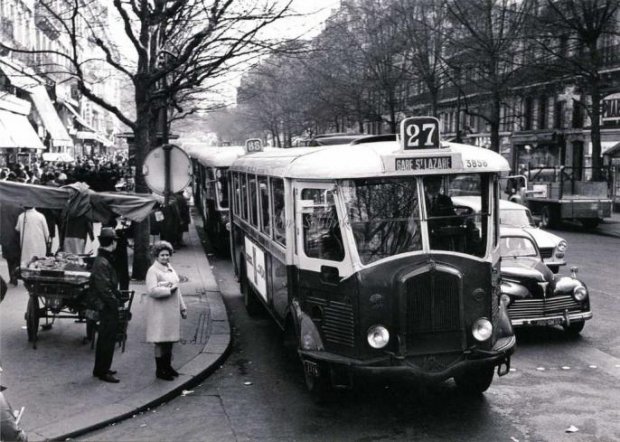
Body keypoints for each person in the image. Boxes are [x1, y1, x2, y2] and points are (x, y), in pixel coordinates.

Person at [145, 241, 187, 381]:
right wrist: (168, 290)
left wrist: (183, 308)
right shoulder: (153, 271)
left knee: (169, 341)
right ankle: (160, 370)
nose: (165, 257)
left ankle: (168, 367)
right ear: (156, 256)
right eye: (162, 255)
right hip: (159, 313)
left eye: (167, 255)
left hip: (171, 312)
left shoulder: (170, 268)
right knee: (160, 341)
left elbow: (178, 290)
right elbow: (152, 291)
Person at [88, 228, 121, 383]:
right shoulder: (103, 261)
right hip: (106, 306)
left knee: (105, 338)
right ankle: (103, 371)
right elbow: (105, 289)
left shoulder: (103, 259)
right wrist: (115, 303)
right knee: (107, 339)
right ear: (113, 242)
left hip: (105, 304)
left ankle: (101, 368)